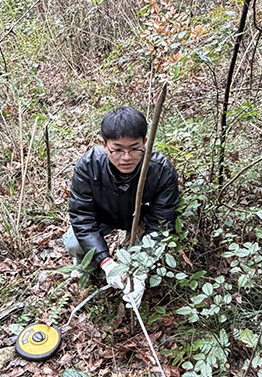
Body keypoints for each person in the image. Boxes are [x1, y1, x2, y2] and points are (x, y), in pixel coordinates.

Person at [64, 106, 179, 310]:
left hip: (141, 220)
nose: (126, 157)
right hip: (104, 215)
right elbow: (82, 217)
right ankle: (86, 266)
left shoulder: (161, 170)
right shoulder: (88, 165)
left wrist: (142, 269)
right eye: (117, 149)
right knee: (74, 242)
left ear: (145, 142)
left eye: (134, 148)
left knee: (144, 256)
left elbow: (162, 225)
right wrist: (106, 263)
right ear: (104, 145)